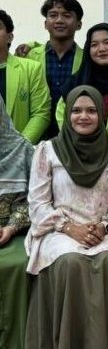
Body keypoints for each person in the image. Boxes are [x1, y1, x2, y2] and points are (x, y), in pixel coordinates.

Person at [25, 85, 108, 349]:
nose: (83, 116)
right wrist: (68, 227)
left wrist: (104, 226)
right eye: (76, 110)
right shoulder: (48, 151)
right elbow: (38, 204)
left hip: (106, 231)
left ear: (101, 114)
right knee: (71, 262)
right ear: (67, 114)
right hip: (58, 231)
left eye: (91, 111)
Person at [55, 23, 108, 141]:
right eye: (94, 45)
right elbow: (62, 117)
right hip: (77, 148)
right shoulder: (75, 82)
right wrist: (83, 143)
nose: (101, 49)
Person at [18, 0, 84, 138]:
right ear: (45, 23)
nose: (59, 20)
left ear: (79, 24)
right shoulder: (28, 57)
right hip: (34, 135)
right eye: (53, 15)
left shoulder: (87, 60)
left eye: (67, 15)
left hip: (72, 136)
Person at [0, 97, 34, 349]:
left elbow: (36, 200)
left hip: (15, 232)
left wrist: (11, 227)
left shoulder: (23, 150)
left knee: (19, 264)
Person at [0, 9, 51, 144]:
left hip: (20, 148)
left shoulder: (31, 68)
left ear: (9, 37)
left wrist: (19, 146)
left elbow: (41, 113)